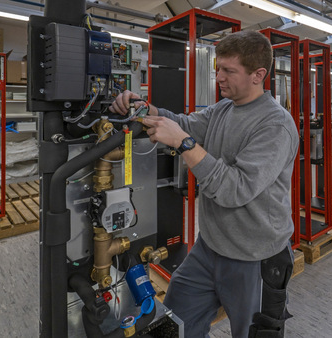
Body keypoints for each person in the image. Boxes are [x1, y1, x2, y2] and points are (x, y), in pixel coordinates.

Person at [110, 30, 299, 337]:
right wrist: (145, 110)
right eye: (218, 68)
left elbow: (234, 189)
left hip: (254, 258)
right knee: (176, 321)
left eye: (229, 71)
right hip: (209, 248)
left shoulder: (275, 125)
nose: (219, 77)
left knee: (254, 332)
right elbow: (184, 123)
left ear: (258, 75)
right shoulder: (225, 108)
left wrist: (184, 144)